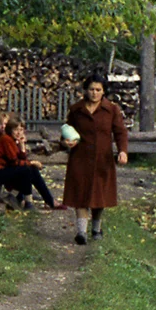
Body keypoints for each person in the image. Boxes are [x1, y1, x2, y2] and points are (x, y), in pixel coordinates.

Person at [62, 73, 128, 244]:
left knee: (99, 196)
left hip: (102, 159)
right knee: (80, 194)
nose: (94, 93)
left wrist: (123, 151)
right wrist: (66, 141)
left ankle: (96, 229)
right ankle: (81, 232)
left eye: (98, 90)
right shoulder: (76, 110)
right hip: (80, 158)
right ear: (86, 90)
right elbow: (67, 130)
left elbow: (120, 132)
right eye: (91, 89)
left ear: (103, 91)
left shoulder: (111, 110)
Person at [0, 113, 62, 210]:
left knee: (30, 169)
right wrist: (32, 162)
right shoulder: (6, 140)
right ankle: (30, 202)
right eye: (16, 130)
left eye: (21, 130)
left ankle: (47, 200)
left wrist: (22, 146)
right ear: (10, 130)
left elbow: (20, 160)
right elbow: (14, 162)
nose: (19, 133)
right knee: (26, 169)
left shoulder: (12, 140)